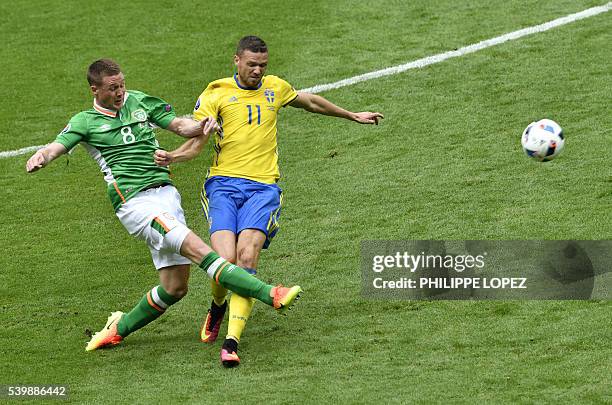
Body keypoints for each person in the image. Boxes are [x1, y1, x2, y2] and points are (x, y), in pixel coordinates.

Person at [25, 58, 302, 354]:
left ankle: (118, 329)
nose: (120, 92)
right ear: (95, 90)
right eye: (112, 88)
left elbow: (181, 126)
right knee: (201, 251)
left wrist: (201, 125)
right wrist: (42, 157)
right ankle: (270, 293)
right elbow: (57, 145)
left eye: (122, 85)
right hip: (136, 204)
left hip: (167, 197)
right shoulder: (85, 121)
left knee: (175, 288)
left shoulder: (140, 101)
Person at [154, 36, 383, 367]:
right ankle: (218, 305)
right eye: (251, 65)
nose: (258, 71)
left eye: (263, 65)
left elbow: (311, 102)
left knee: (246, 258)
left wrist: (351, 115)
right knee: (224, 260)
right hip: (223, 186)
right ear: (236, 60)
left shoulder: (275, 87)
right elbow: (196, 138)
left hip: (263, 189)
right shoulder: (216, 92)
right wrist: (174, 155)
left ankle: (231, 343)